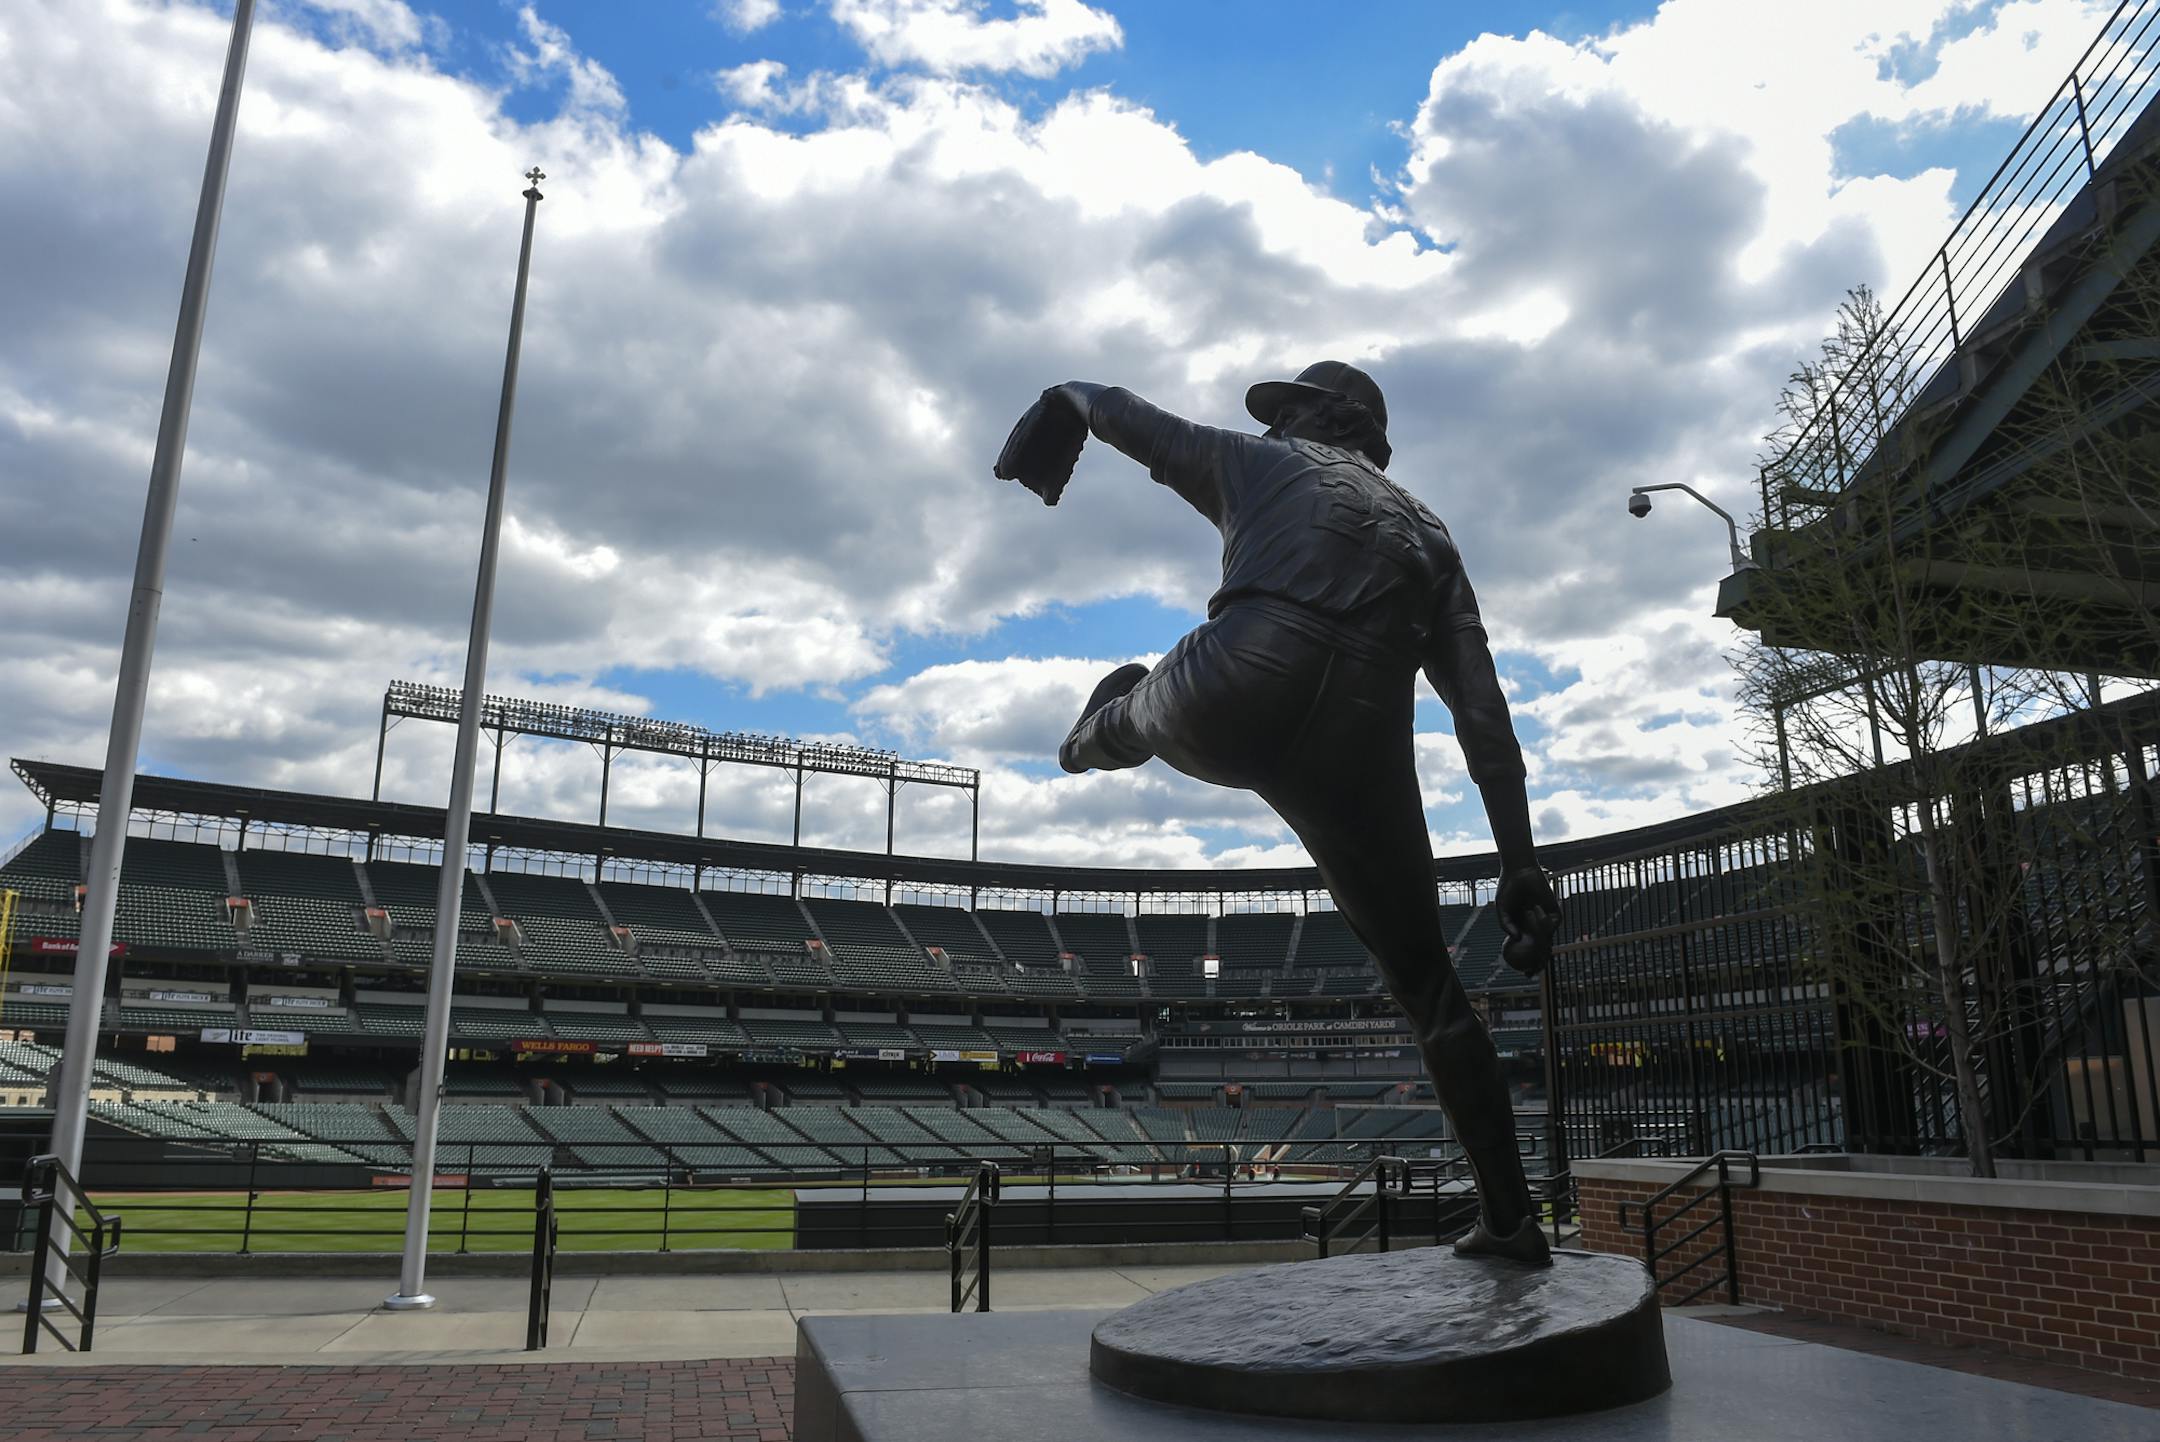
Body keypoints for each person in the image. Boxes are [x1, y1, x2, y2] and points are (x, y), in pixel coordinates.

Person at [1026, 361, 1558, 1264]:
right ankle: (1512, 1222)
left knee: (1147, 706)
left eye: (1285, 410)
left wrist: (1062, 401)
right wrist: (1518, 859)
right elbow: (1482, 714)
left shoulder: (1260, 463)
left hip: (1237, 678)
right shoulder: (1432, 536)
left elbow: (1130, 420)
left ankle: (1100, 726)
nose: (1271, 423)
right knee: (1432, 989)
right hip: (1361, 731)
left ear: (1317, 416)